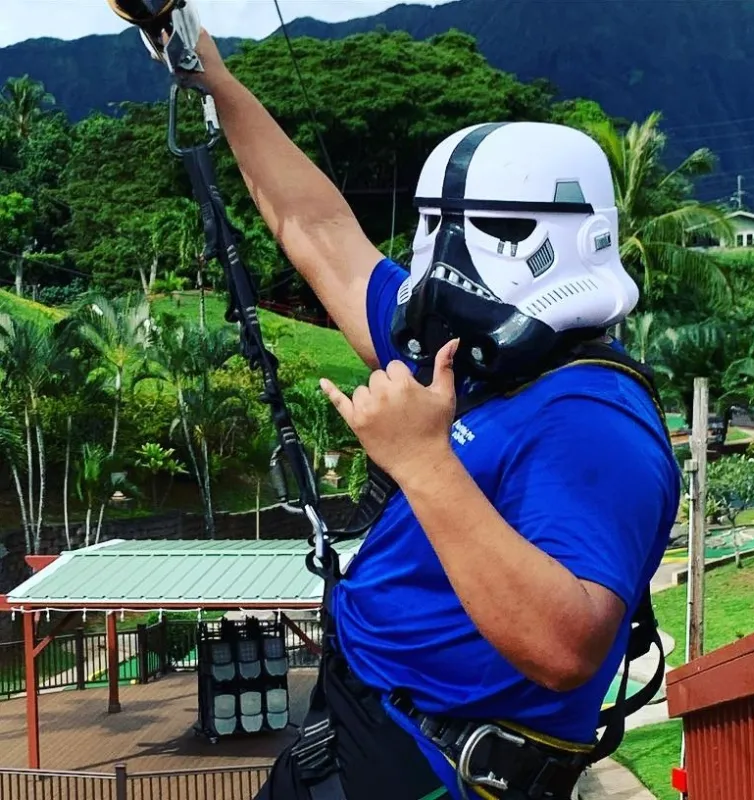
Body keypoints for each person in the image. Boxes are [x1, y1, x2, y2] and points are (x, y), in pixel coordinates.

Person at [187, 30, 681, 800]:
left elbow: (566, 645)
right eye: (434, 229)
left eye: (496, 231)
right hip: (354, 721)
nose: (448, 264)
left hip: (434, 767)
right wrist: (212, 75)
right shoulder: (462, 354)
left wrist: (421, 461)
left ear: (582, 240)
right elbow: (319, 231)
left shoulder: (594, 421)